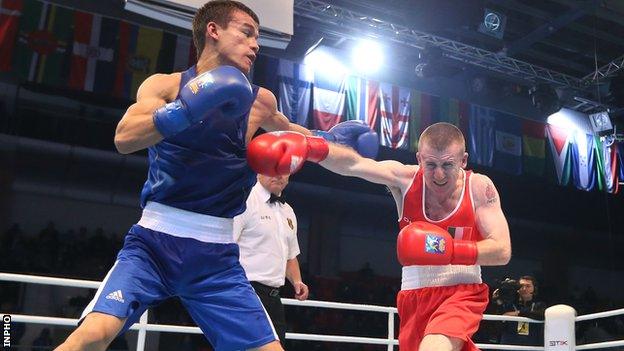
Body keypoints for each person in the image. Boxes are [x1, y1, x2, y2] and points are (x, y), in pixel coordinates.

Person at [53, 1, 319, 350]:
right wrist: (186, 108)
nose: (256, 45)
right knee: (93, 335)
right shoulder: (165, 86)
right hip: (153, 243)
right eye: (246, 33)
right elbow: (124, 137)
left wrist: (331, 141)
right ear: (213, 31)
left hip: (217, 256)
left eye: (257, 37)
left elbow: (292, 131)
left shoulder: (260, 101)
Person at [247, 122, 512, 351]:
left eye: (448, 165)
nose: (439, 174)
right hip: (414, 294)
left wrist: (450, 250)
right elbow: (354, 164)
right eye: (431, 164)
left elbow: (502, 250)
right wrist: (310, 147)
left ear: (463, 161)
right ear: (419, 158)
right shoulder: (406, 179)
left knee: (435, 346)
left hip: (462, 291)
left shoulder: (479, 187)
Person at [233, 173, 309, 347]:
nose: (278, 175)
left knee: (276, 344)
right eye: (272, 168)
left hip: (274, 296)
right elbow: (227, 244)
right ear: (259, 171)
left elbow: (290, 255)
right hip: (246, 291)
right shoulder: (245, 200)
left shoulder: (287, 211)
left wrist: (297, 281)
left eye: (283, 170)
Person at [500, 275, 546, 346]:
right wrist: (497, 301)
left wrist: (518, 313)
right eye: (521, 286)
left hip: (532, 347)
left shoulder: (539, 305)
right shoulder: (509, 305)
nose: (524, 289)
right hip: (510, 347)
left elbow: (541, 314)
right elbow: (498, 319)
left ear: (534, 288)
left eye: (528, 286)